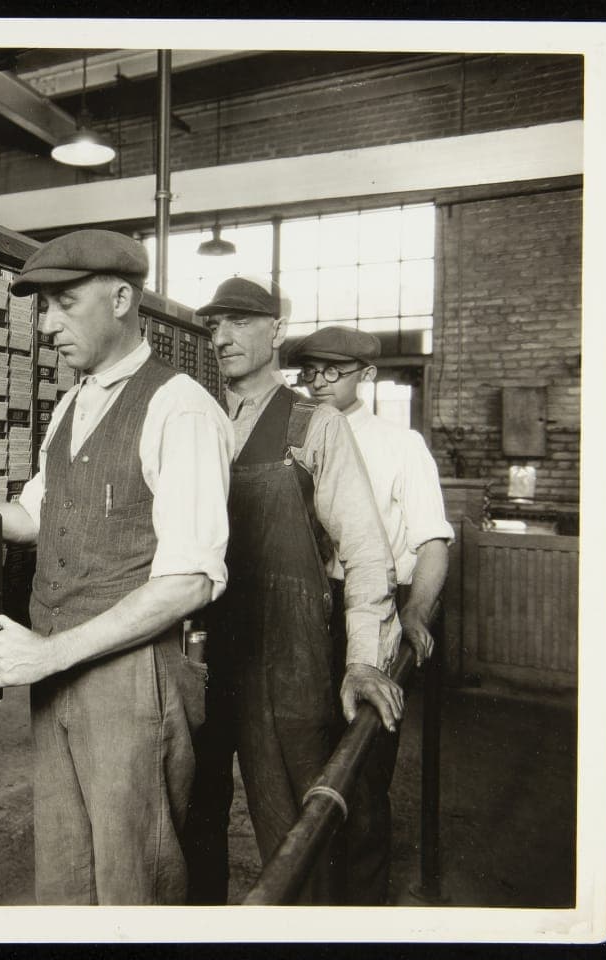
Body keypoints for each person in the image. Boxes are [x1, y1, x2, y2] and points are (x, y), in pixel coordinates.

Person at [0, 229, 234, 905]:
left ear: (120, 298)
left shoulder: (180, 408)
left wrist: (51, 654)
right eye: (42, 308)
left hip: (133, 682)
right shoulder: (73, 405)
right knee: (67, 869)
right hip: (60, 672)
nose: (47, 326)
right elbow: (33, 518)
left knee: (133, 873)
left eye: (64, 304)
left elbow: (190, 579)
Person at [183, 275, 402, 905]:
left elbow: (366, 554)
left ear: (276, 330)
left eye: (241, 322)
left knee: (296, 828)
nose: (223, 337)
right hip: (201, 652)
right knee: (194, 816)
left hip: (287, 658)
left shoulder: (316, 423)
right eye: (215, 324)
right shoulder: (198, 421)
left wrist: (362, 658)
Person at [289, 325, 454, 904]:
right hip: (307, 618)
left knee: (363, 772)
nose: (319, 381)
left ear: (368, 375)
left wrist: (415, 613)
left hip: (376, 614)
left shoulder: (399, 444)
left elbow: (432, 541)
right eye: (310, 370)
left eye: (335, 370)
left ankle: (363, 910)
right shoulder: (294, 436)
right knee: (307, 770)